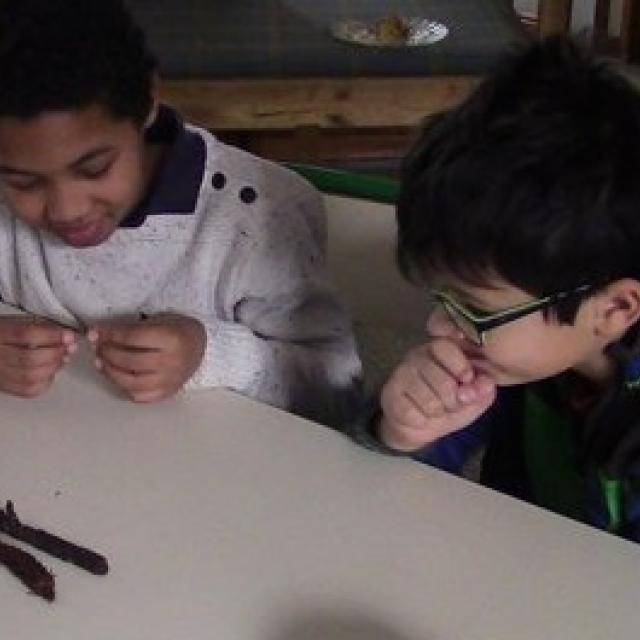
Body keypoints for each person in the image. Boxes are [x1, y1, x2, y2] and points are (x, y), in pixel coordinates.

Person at [0, 0, 362, 426]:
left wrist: (209, 352)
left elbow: (340, 392)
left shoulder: (262, 216)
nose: (66, 210)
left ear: (148, 102)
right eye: (23, 182)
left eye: (94, 168)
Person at [350, 37, 640, 541]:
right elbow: (397, 484)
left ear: (615, 309)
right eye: (443, 299)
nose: (438, 327)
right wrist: (401, 430)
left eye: (473, 310)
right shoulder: (526, 358)